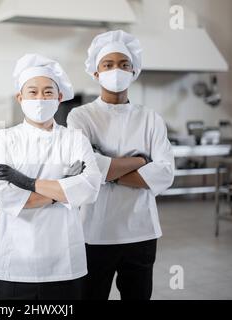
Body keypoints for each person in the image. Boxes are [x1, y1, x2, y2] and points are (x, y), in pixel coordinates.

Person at [0, 53, 102, 300]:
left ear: (59, 98)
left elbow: (89, 188)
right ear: (20, 97)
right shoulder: (2, 139)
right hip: (15, 263)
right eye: (32, 92)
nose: (40, 98)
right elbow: (2, 195)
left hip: (65, 262)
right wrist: (64, 190)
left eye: (48, 92)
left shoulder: (74, 139)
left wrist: (26, 183)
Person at [67, 30, 175, 300]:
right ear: (96, 72)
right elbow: (83, 167)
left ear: (134, 71)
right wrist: (140, 161)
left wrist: (105, 171)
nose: (117, 70)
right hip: (95, 233)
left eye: (124, 64)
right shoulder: (80, 116)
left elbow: (164, 172)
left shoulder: (150, 118)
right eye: (108, 64)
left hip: (141, 231)